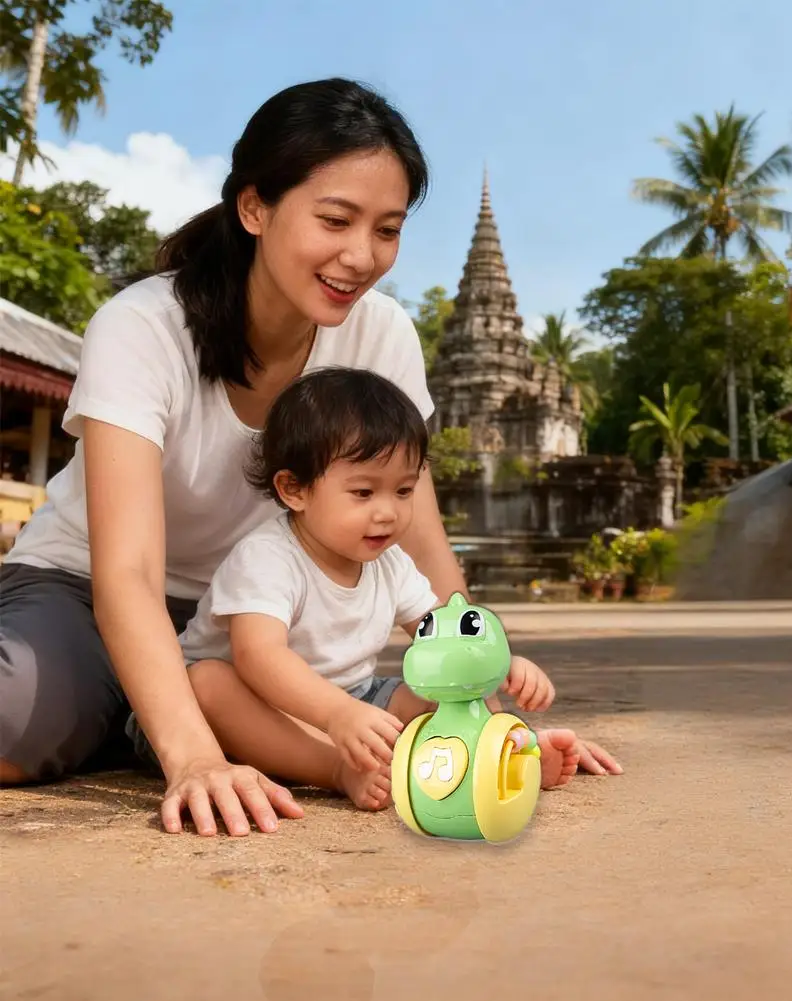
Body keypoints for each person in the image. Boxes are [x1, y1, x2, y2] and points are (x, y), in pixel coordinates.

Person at [0, 76, 621, 838]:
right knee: (16, 729)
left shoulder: (382, 335)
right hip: (87, 588)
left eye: (387, 230)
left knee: (371, 712)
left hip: (263, 622)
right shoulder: (143, 327)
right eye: (335, 219)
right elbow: (125, 571)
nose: (360, 257)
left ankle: (150, 712)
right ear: (255, 207)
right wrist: (194, 756)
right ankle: (146, 713)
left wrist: (489, 722)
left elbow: (422, 541)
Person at [150, 366, 581, 812]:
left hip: (356, 698)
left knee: (443, 687)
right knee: (207, 682)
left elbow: (445, 634)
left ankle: (501, 754)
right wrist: (337, 716)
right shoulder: (267, 558)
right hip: (248, 708)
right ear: (294, 489)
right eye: (363, 492)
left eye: (403, 490)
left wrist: (496, 662)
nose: (387, 512)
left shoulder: (390, 563)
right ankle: (336, 768)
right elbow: (259, 657)